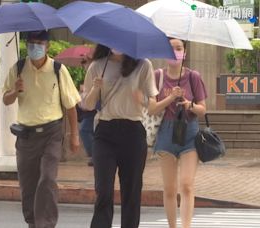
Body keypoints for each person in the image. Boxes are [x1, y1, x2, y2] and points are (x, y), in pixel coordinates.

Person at [2, 30, 81, 228]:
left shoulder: (57, 69)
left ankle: (45, 224)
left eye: (39, 43)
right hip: (26, 136)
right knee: (28, 186)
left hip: (51, 133)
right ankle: (33, 222)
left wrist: (74, 136)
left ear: (47, 46)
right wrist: (15, 90)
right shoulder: (18, 68)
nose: (34, 47)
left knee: (47, 179)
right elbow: (6, 99)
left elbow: (70, 105)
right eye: (31, 43)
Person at [83, 44, 158, 228]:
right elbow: (88, 105)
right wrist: (95, 89)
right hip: (105, 132)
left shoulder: (143, 65)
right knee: (103, 190)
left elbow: (153, 105)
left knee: (131, 192)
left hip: (133, 132)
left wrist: (142, 99)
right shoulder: (97, 66)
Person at [149, 38, 207, 228]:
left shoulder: (193, 77)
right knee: (169, 189)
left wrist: (189, 104)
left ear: (185, 53)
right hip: (165, 132)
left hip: (189, 131)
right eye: (170, 49)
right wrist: (171, 97)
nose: (174, 52)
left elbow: (202, 110)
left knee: (187, 185)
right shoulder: (157, 75)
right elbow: (152, 109)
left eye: (179, 48)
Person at [77, 84, 96, 166]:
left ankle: (95, 155)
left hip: (93, 109)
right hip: (86, 110)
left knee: (84, 130)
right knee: (90, 132)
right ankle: (95, 155)